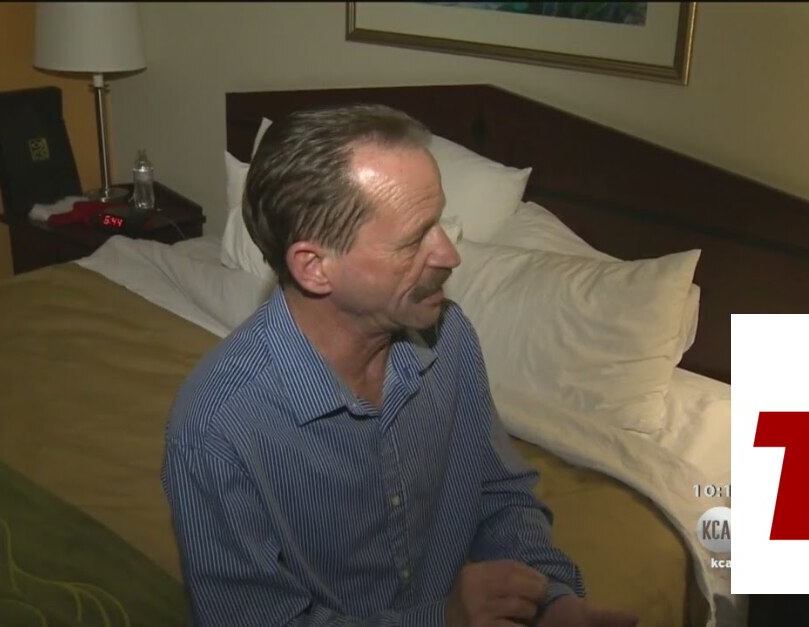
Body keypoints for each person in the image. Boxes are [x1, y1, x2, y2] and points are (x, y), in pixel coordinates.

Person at [161, 103, 638, 627]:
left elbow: (499, 494)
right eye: (415, 239)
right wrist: (441, 620)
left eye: (440, 223)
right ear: (315, 267)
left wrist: (552, 599)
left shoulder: (448, 338)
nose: (450, 255)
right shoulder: (216, 429)